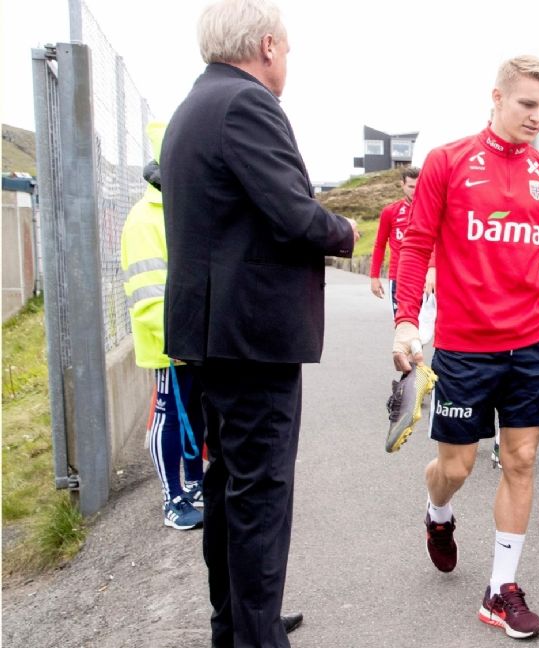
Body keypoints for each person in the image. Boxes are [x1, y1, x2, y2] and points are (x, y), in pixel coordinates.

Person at [161, 0, 357, 645]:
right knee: (260, 495)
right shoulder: (247, 103)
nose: (288, 59)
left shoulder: (197, 104)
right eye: (287, 47)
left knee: (229, 485)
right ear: (268, 45)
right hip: (250, 338)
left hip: (215, 334)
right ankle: (255, 637)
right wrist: (346, 229)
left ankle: (241, 622)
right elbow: (295, 215)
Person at [392, 55, 539, 640]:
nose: (537, 118)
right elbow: (416, 245)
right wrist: (405, 320)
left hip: (536, 344)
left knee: (521, 460)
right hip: (465, 349)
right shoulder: (448, 162)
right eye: (527, 104)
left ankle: (501, 589)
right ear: (496, 98)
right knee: (457, 466)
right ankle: (438, 514)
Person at [120, 120, 205, 532]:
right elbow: (148, 292)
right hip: (169, 342)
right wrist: (174, 339)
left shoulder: (184, 208)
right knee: (170, 415)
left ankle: (196, 483)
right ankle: (173, 499)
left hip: (196, 336)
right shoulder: (144, 220)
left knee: (195, 412)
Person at [369, 166, 423, 315]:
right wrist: (374, 277)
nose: (415, 191)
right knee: (403, 323)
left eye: (418, 186)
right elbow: (380, 245)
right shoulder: (390, 211)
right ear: (402, 185)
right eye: (411, 187)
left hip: (426, 277)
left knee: (427, 326)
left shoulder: (431, 209)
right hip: (399, 277)